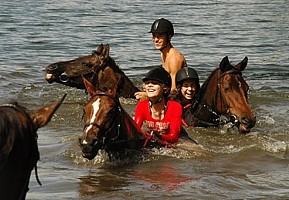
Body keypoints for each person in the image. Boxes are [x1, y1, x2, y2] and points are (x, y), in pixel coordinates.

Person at [135, 18, 187, 100]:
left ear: (169, 37)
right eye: (154, 36)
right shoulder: (163, 55)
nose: (156, 40)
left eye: (160, 36)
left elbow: (174, 91)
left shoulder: (174, 58)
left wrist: (149, 96)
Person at [134, 67, 183, 147]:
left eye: (154, 83)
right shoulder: (141, 105)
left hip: (177, 138)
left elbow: (174, 137)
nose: (149, 85)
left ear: (164, 88)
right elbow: (135, 130)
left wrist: (158, 136)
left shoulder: (175, 107)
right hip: (153, 138)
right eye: (147, 83)